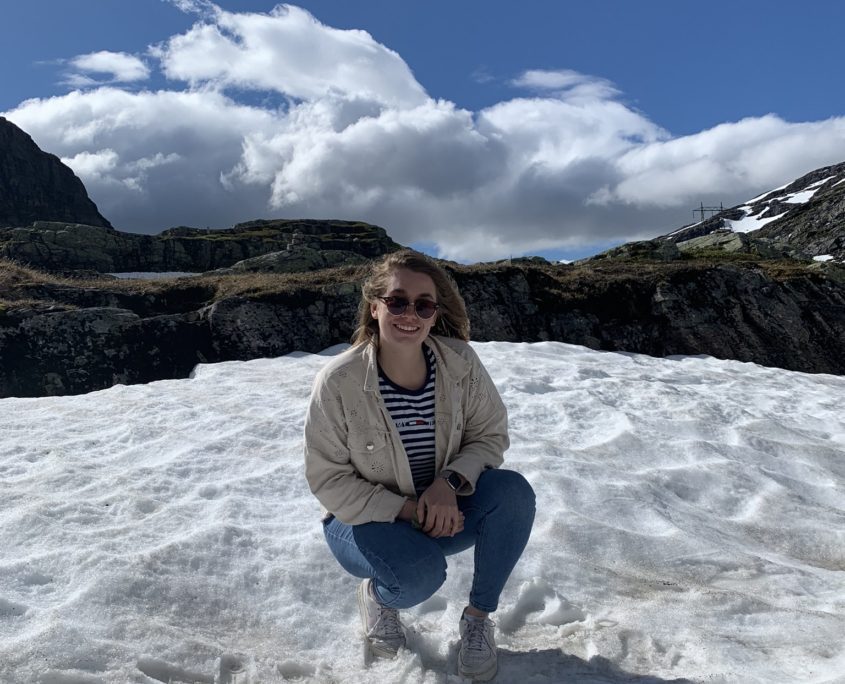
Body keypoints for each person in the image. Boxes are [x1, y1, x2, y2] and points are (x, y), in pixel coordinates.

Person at [304, 249, 535, 681]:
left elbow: (490, 435)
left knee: (512, 493)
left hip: (441, 514)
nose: (410, 314)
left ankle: (478, 620)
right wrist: (412, 509)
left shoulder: (459, 363)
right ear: (374, 307)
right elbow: (328, 479)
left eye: (423, 304)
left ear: (434, 314)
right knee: (418, 577)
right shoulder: (338, 381)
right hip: (359, 524)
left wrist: (448, 484)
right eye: (397, 301)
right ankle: (379, 597)